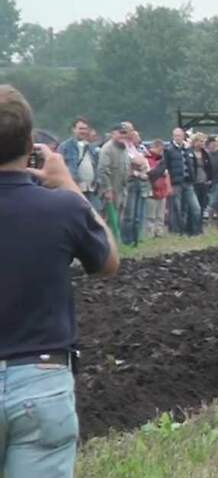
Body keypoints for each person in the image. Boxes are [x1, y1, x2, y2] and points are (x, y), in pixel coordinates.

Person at [0, 85, 119, 477]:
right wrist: (67, 183)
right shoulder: (63, 208)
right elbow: (107, 262)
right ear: (31, 143)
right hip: (41, 379)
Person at [149, 127, 201, 236]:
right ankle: (179, 231)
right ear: (173, 137)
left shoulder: (188, 149)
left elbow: (194, 165)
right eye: (175, 136)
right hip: (176, 183)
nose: (177, 138)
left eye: (179, 135)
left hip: (188, 182)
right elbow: (163, 166)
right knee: (177, 209)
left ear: (183, 136)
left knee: (195, 207)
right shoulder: (169, 150)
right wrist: (152, 175)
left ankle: (195, 231)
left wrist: (194, 177)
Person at [96, 124, 132, 242]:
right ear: (113, 134)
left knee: (118, 218)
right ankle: (107, 244)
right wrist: (107, 189)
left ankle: (115, 243)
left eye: (125, 133)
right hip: (111, 190)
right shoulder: (107, 149)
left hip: (122, 190)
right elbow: (103, 170)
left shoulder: (124, 148)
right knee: (108, 218)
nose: (123, 135)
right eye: (120, 133)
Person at [56, 117, 100, 208]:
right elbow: (58, 166)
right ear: (73, 129)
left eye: (85, 129)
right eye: (80, 128)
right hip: (74, 189)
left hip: (90, 189)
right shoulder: (65, 147)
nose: (83, 131)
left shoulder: (91, 147)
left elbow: (96, 165)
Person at [121, 129, 150, 246]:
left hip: (140, 182)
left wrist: (140, 162)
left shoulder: (135, 148)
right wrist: (139, 162)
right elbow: (136, 161)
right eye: (136, 137)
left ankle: (136, 239)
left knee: (138, 214)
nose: (139, 139)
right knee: (129, 214)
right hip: (130, 182)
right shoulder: (125, 147)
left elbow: (143, 162)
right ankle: (127, 240)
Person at [143, 139, 170, 238]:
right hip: (152, 190)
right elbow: (149, 173)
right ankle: (149, 234)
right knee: (150, 215)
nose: (161, 152)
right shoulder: (146, 159)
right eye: (160, 149)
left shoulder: (162, 160)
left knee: (160, 215)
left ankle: (159, 232)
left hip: (162, 189)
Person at [190, 132, 212, 225]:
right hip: (193, 182)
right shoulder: (189, 152)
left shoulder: (205, 154)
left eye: (203, 141)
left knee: (203, 204)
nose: (202, 143)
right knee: (195, 205)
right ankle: (193, 223)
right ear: (195, 142)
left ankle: (199, 224)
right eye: (201, 141)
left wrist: (210, 179)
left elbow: (210, 167)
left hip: (204, 182)